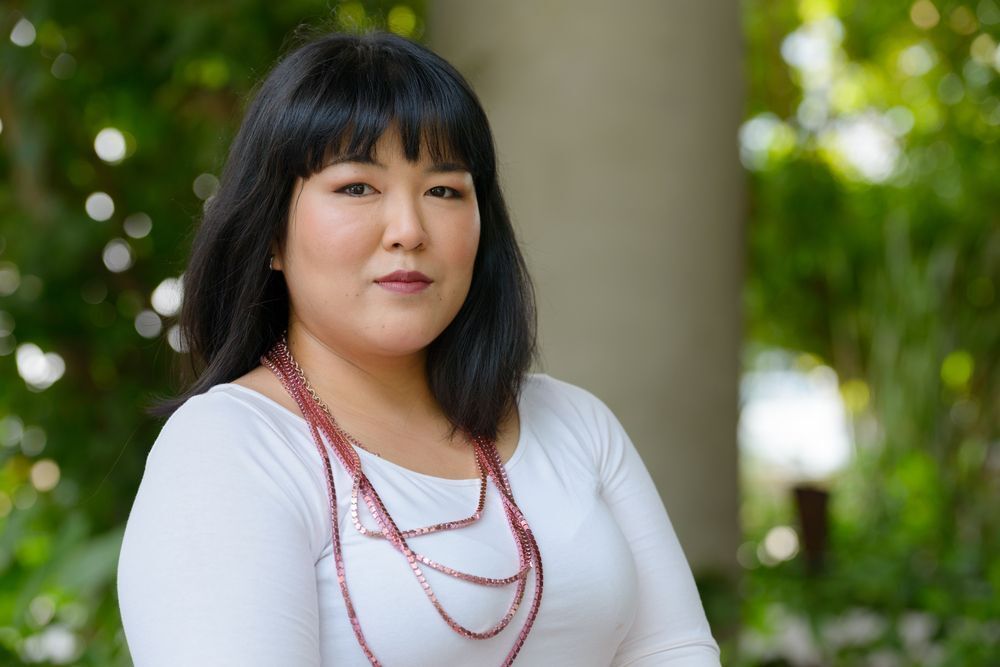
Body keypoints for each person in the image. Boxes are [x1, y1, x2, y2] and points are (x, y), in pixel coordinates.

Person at [116, 29, 722, 667]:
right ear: (270, 232)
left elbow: (676, 652)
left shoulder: (576, 425)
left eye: (444, 191)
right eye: (357, 187)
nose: (408, 229)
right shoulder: (231, 447)